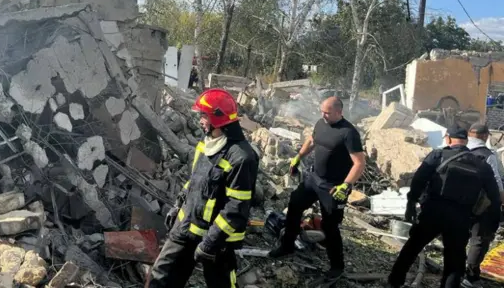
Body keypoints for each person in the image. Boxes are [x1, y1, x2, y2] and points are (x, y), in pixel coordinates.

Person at [147, 88, 259, 288]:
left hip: (217, 240)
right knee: (161, 278)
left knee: (220, 284)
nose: (200, 120)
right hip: (186, 227)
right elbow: (195, 181)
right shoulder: (206, 144)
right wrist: (178, 204)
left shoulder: (241, 157)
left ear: (218, 118)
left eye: (203, 115)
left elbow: (236, 208)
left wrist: (210, 243)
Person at [387, 125, 502, 288]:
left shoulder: (438, 155)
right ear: (466, 141)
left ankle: (395, 281)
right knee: (454, 260)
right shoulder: (482, 165)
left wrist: (411, 203)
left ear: (448, 138)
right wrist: (493, 221)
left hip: (433, 212)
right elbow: (495, 197)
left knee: (412, 248)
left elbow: (419, 180)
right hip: (461, 218)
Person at [268, 97, 366, 285]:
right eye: (322, 111)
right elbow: (312, 140)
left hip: (333, 187)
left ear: (339, 112)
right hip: (314, 179)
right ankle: (287, 245)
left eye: (327, 112)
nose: (323, 115)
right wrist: (298, 157)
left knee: (330, 226)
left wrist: (346, 185)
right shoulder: (321, 123)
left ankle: (337, 267)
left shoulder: (349, 133)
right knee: (295, 205)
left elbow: (359, 163)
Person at [462, 123, 504, 288]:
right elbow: (497, 182)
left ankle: (454, 272)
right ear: (486, 136)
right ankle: (470, 277)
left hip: (456, 203)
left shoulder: (453, 151)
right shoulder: (488, 155)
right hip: (482, 205)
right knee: (479, 239)